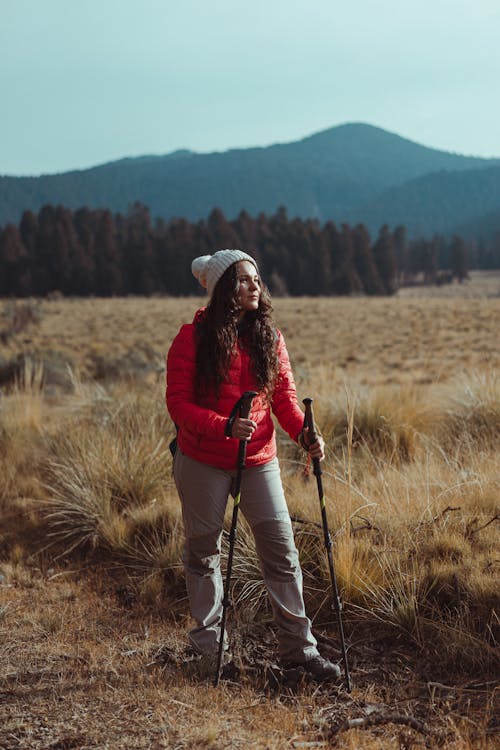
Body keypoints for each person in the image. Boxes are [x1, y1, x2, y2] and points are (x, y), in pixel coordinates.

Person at [166, 249, 340, 681]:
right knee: (204, 553)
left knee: (281, 550)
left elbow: (283, 400)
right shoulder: (191, 338)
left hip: (258, 459)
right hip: (203, 459)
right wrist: (224, 426)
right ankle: (211, 652)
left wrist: (305, 435)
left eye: (256, 278)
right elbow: (178, 405)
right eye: (243, 279)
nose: (254, 285)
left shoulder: (270, 338)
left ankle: (300, 651)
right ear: (224, 287)